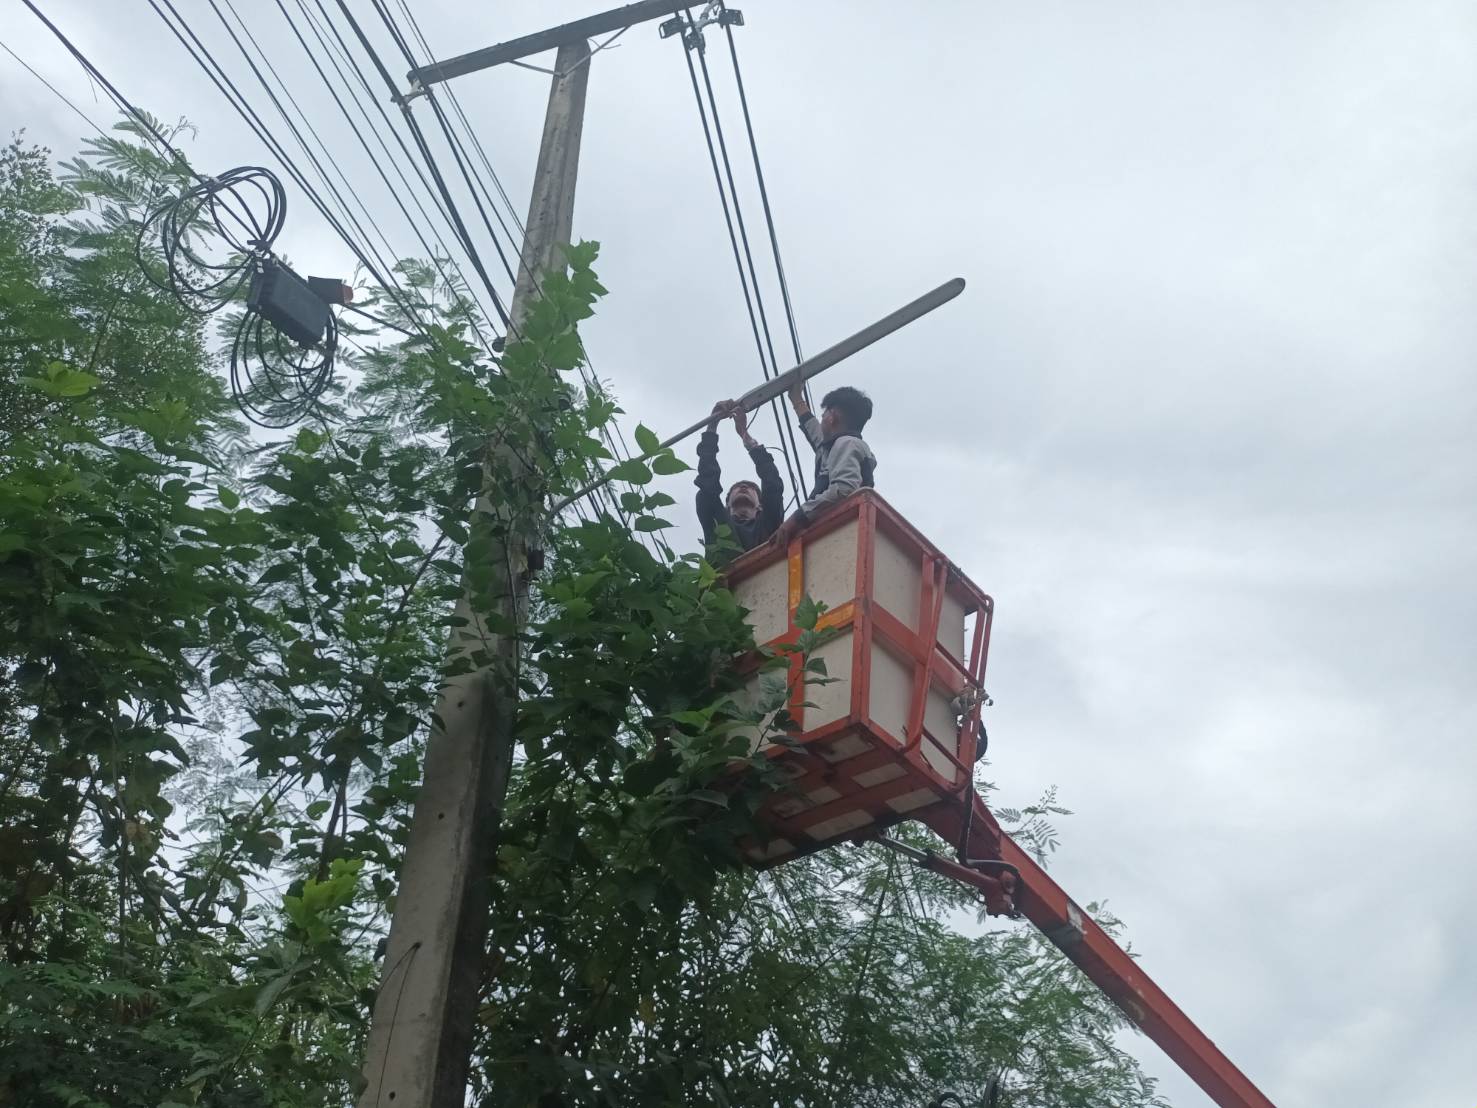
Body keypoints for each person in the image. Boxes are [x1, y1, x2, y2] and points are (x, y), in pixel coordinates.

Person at [772, 383, 876, 544]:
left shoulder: (846, 444)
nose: (821, 421)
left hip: (841, 533)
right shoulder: (838, 446)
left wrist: (796, 518)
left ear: (831, 416)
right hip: (839, 532)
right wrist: (797, 400)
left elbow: (844, 489)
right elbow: (815, 432)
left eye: (823, 415)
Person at [694, 399, 785, 554]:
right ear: (727, 504)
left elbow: (772, 483)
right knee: (705, 494)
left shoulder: (768, 524)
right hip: (725, 569)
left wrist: (745, 435)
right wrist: (712, 424)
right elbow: (707, 482)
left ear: (760, 505)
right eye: (736, 488)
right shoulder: (717, 523)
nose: (743, 487)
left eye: (751, 488)